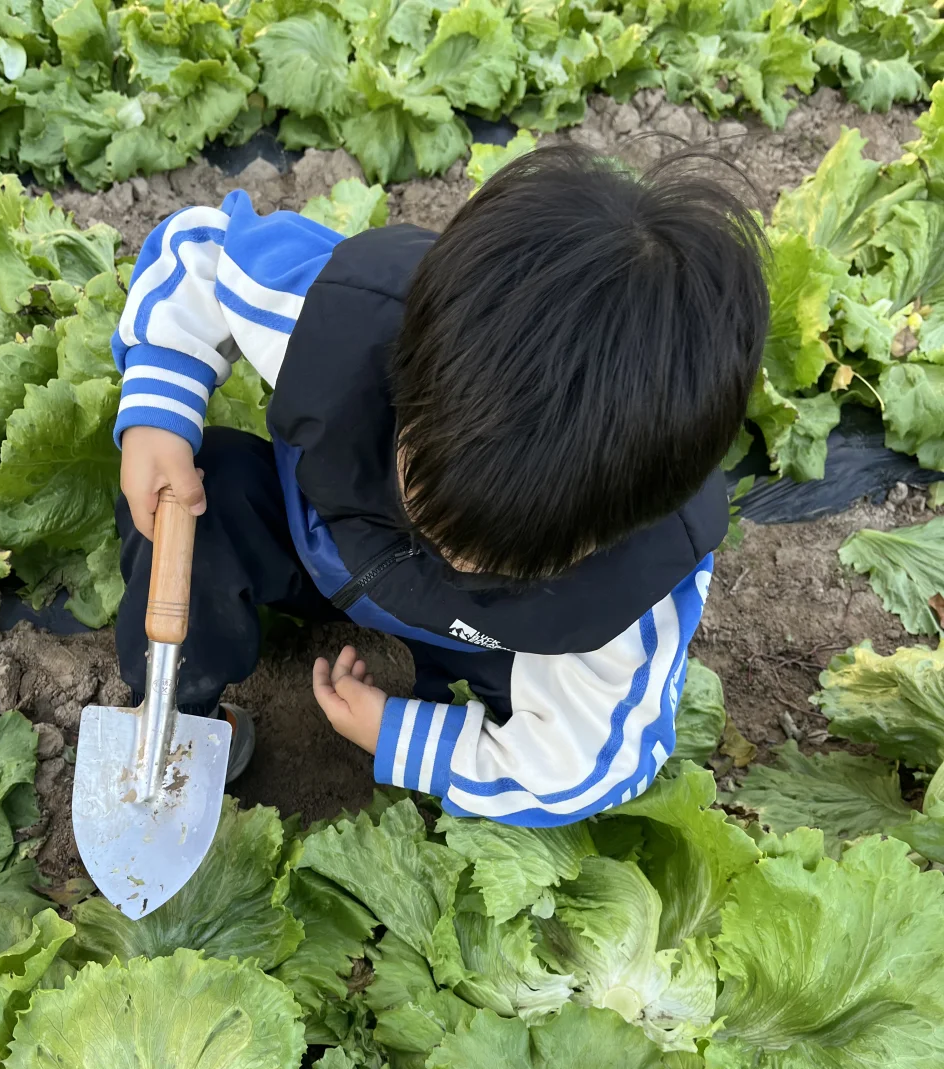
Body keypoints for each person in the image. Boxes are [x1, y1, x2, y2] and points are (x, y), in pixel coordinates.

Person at [111, 143, 768, 826]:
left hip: (486, 640)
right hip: (321, 540)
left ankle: (448, 673)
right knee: (201, 496)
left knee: (535, 737)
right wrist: (159, 411)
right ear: (409, 368)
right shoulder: (344, 317)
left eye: (499, 556)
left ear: (619, 528)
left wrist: (399, 735)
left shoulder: (634, 590)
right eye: (423, 491)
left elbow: (584, 765)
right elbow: (198, 254)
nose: (452, 554)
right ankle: (177, 713)